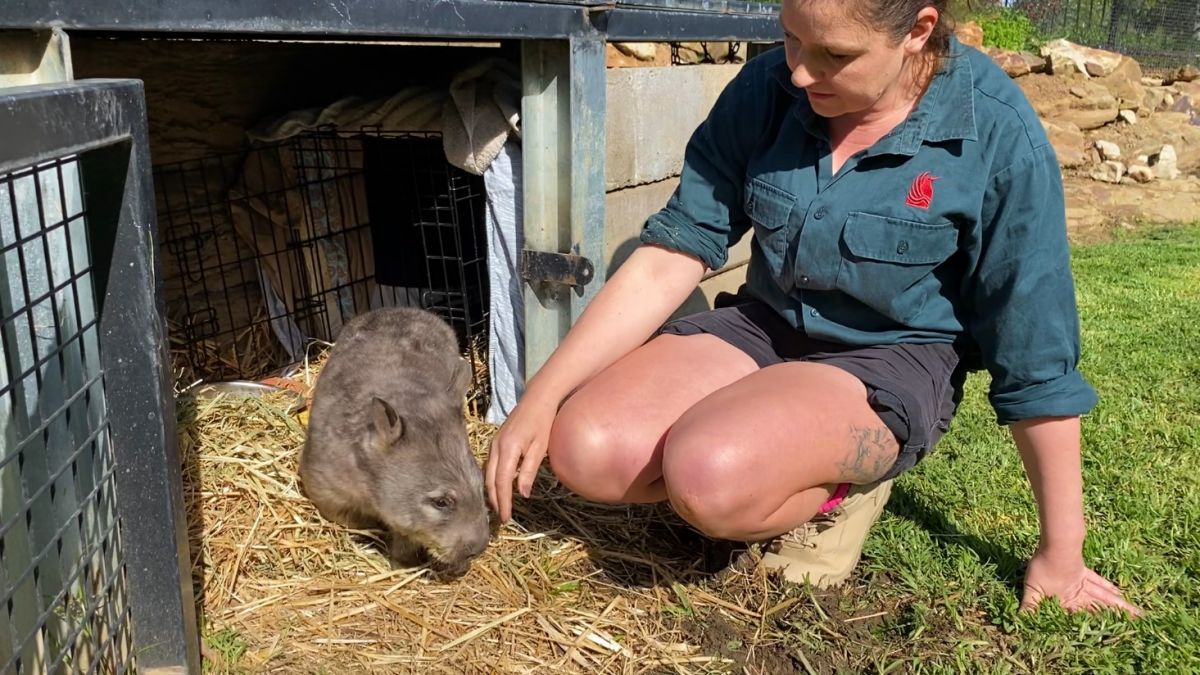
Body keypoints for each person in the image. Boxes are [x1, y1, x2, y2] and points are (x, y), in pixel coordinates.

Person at [486, 0, 1141, 615]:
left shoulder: (994, 131)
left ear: (918, 30)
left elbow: (1034, 353)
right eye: (791, 35)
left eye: (832, 54)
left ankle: (839, 488)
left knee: (707, 475)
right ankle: (768, 442)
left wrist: (1062, 552)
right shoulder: (768, 87)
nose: (799, 71)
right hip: (767, 325)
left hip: (890, 358)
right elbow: (672, 252)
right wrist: (542, 395)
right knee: (584, 446)